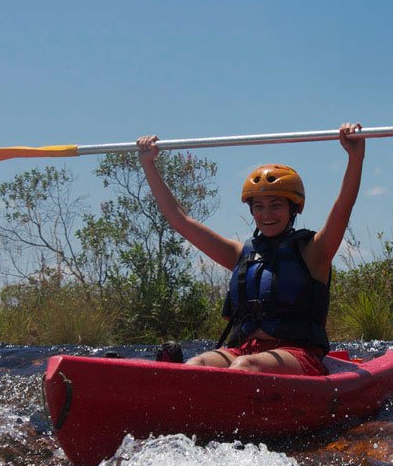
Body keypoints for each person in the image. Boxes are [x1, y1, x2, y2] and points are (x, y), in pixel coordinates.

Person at [136, 122, 365, 376]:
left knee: (245, 366)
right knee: (196, 366)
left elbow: (343, 207)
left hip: (299, 354)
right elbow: (180, 221)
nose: (266, 214)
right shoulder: (240, 255)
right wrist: (148, 164)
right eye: (259, 206)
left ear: (293, 208)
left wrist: (355, 156)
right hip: (244, 350)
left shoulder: (314, 252)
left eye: (275, 204)